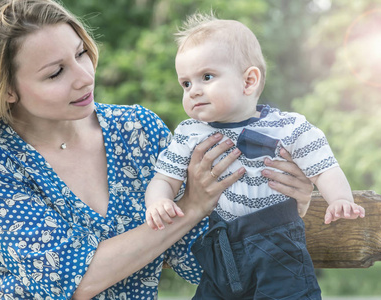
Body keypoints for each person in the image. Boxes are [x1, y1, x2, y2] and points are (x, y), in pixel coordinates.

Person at [0, 1, 315, 299]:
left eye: (81, 53)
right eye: (56, 72)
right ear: (9, 90)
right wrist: (190, 206)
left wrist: (281, 199)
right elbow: (72, 280)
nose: (84, 77)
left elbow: (201, 256)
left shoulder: (137, 130)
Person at [144, 13, 366, 299]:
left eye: (206, 77)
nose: (193, 91)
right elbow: (165, 178)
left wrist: (339, 200)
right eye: (185, 84)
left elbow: (323, 167)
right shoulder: (190, 133)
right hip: (222, 245)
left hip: (278, 246)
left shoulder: (287, 127)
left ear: (249, 81)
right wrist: (158, 201)